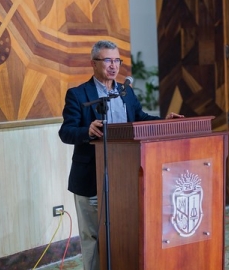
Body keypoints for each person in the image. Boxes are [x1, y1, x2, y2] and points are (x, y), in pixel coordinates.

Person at [58, 40, 183, 270]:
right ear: (94, 64)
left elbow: (140, 119)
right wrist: (87, 131)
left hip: (125, 179)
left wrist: (164, 121)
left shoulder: (125, 92)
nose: (113, 66)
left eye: (117, 60)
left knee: (124, 234)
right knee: (93, 239)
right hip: (90, 179)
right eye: (108, 60)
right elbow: (65, 132)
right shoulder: (78, 95)